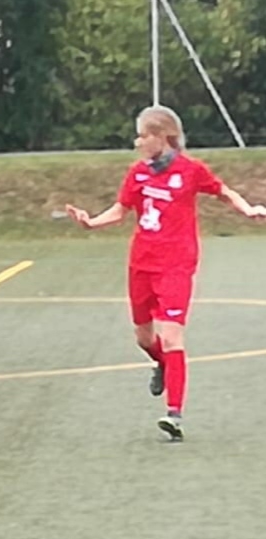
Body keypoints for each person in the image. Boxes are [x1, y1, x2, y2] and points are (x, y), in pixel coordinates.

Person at [65, 105, 266, 441]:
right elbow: (121, 209)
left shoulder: (190, 170)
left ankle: (174, 414)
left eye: (143, 136)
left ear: (161, 137)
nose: (138, 142)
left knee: (172, 336)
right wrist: (91, 222)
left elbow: (223, 192)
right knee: (144, 338)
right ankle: (162, 363)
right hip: (141, 263)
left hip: (176, 264)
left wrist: (248, 210)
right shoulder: (138, 173)